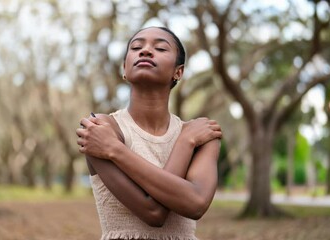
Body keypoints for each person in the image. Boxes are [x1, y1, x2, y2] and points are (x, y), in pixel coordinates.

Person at [76, 26, 222, 240]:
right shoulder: (101, 129)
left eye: (161, 48)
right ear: (124, 68)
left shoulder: (200, 135)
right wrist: (186, 143)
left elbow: (196, 203)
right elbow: (153, 213)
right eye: (136, 47)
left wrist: (114, 149)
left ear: (178, 72)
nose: (145, 51)